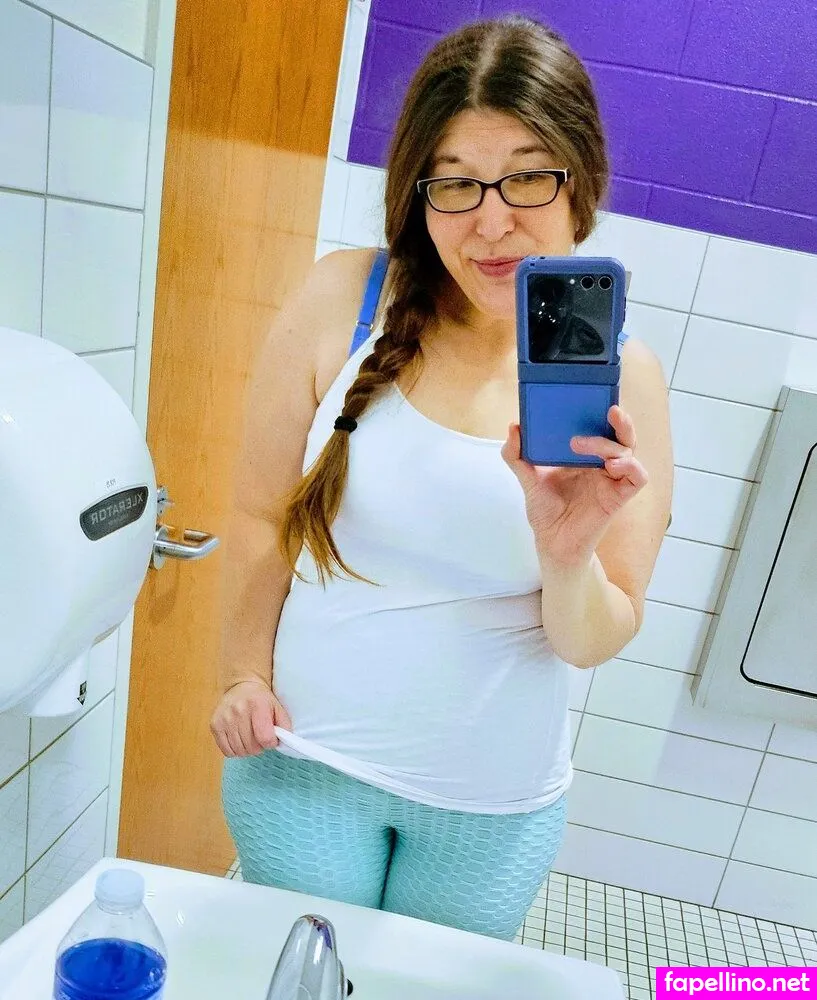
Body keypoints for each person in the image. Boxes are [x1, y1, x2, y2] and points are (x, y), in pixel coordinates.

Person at [210, 15, 673, 942]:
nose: (491, 223)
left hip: (488, 810)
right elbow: (260, 514)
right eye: (455, 183)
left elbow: (592, 639)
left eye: (528, 177)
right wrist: (239, 674)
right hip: (300, 763)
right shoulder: (345, 299)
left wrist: (567, 553)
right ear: (417, 193)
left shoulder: (627, 379)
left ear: (581, 179)